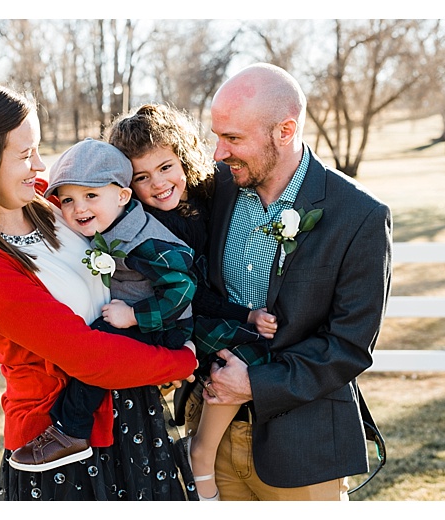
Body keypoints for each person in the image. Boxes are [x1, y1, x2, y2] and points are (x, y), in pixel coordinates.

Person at [0, 83, 198, 500]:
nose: (39, 165)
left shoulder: (51, 204)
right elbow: (86, 356)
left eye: (36, 150)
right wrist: (180, 362)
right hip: (65, 440)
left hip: (132, 408)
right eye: (24, 154)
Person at [148, 63, 390, 501]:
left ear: (285, 130)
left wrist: (255, 384)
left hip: (302, 446)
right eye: (217, 136)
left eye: (233, 138)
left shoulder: (358, 215)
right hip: (210, 435)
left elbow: (350, 345)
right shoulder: (214, 188)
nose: (218, 152)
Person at [105, 105, 286, 501]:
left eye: (166, 167)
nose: (158, 184)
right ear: (126, 185)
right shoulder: (152, 228)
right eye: (142, 177)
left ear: (183, 157)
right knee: (248, 348)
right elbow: (192, 291)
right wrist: (247, 314)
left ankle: (200, 447)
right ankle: (200, 451)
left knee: (252, 347)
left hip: (200, 308)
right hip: (178, 316)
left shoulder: (207, 197)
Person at [2, 138, 210, 475]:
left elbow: (182, 287)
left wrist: (132, 317)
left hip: (165, 324)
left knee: (99, 345)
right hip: (144, 317)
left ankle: (71, 430)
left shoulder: (144, 241)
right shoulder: (110, 223)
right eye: (67, 199)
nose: (78, 208)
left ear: (123, 195)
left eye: (90, 195)